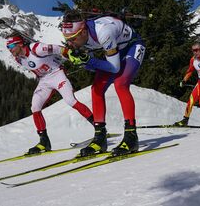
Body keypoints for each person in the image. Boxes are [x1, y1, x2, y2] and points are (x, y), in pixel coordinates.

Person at [61, 11, 146, 157]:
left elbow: (114, 68)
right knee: (97, 88)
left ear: (83, 32)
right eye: (66, 38)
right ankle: (100, 138)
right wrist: (83, 62)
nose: (70, 43)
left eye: (73, 39)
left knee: (120, 83)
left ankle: (131, 136)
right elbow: (93, 66)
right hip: (116, 50)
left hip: (133, 46)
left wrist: (88, 61)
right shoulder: (79, 36)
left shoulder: (104, 32)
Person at [6, 35, 94, 154]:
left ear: (20, 44)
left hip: (57, 74)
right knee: (35, 107)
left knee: (71, 101)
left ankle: (99, 128)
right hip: (44, 81)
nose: (9, 49)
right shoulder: (18, 59)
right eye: (7, 47)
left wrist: (71, 54)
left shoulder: (36, 48)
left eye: (11, 46)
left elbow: (58, 49)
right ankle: (44, 142)